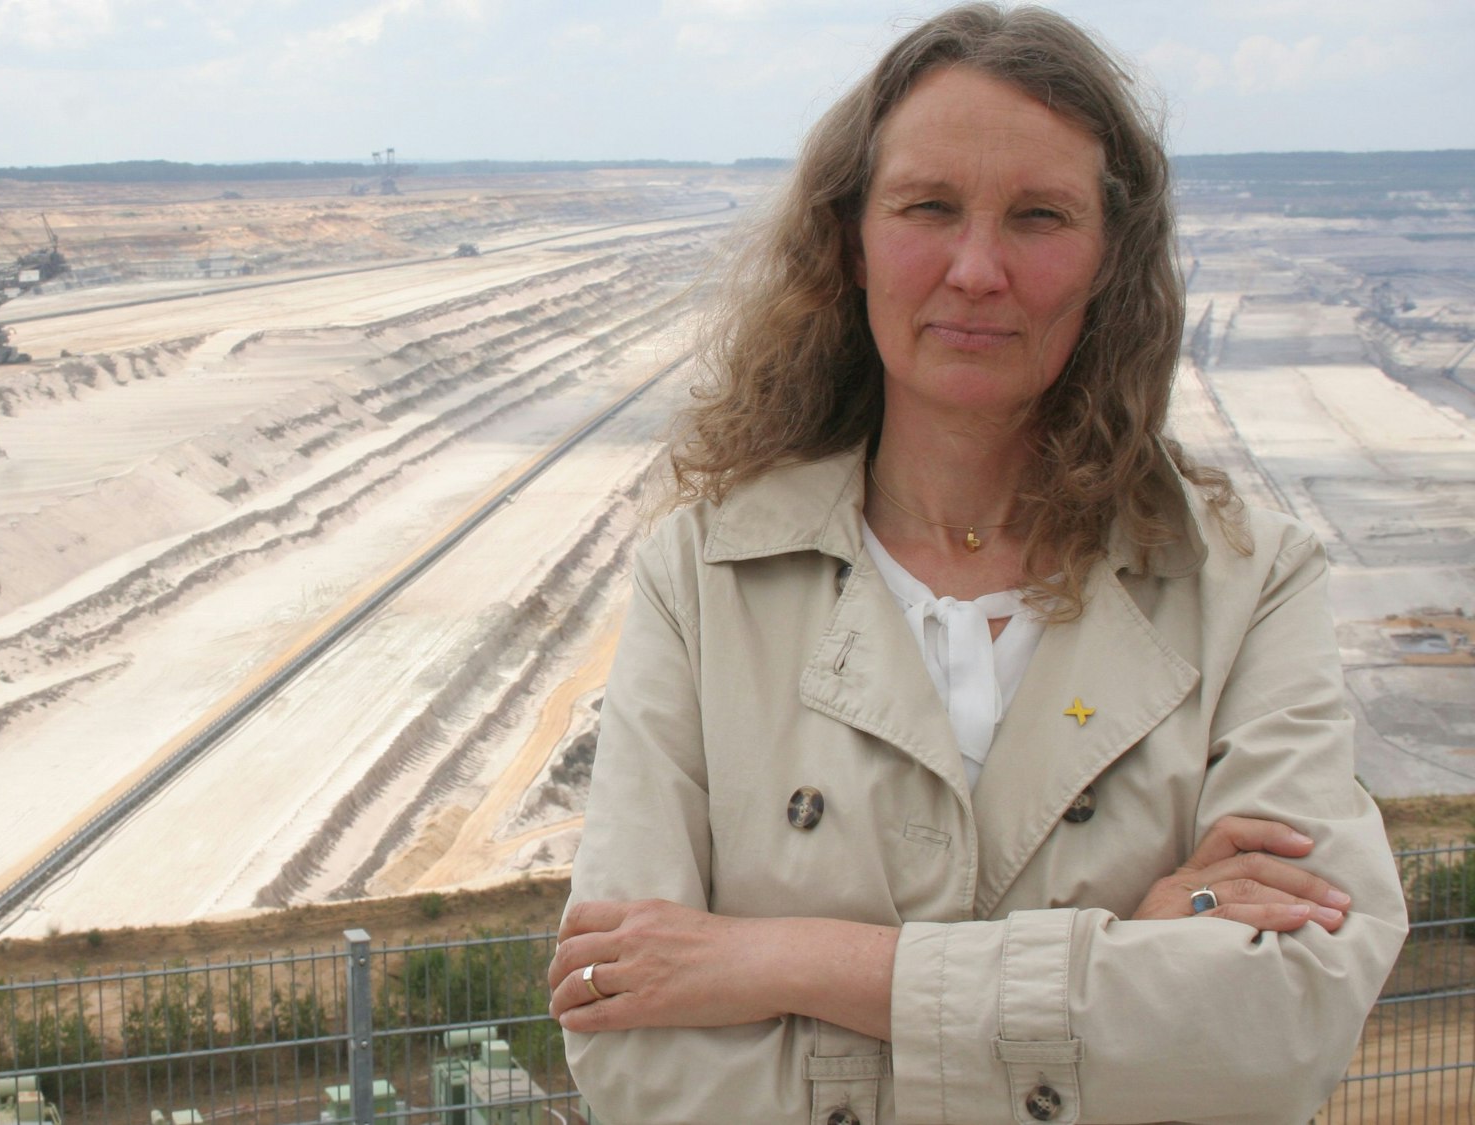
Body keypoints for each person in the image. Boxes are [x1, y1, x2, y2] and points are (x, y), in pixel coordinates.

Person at [545, 5, 1407, 1123]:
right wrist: (1124, 962)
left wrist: (785, 960)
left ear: (1110, 258)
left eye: (1039, 216)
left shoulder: (1247, 582)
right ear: (849, 241)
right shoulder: (704, 574)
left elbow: (1284, 1018)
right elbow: (630, 1037)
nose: (976, 268)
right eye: (928, 207)